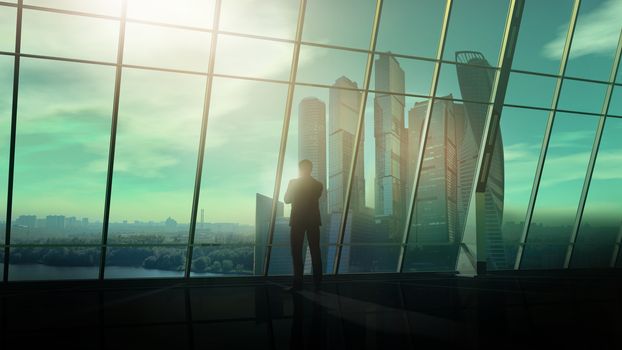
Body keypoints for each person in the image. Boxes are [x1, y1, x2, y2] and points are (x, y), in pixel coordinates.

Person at [284, 159, 323, 292]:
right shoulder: (318, 185)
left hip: (297, 221)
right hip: (313, 221)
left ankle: (298, 284)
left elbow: (287, 200)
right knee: (315, 252)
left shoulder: (293, 183)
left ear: (300, 169)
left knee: (296, 252)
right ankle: (318, 285)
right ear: (311, 169)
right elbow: (312, 198)